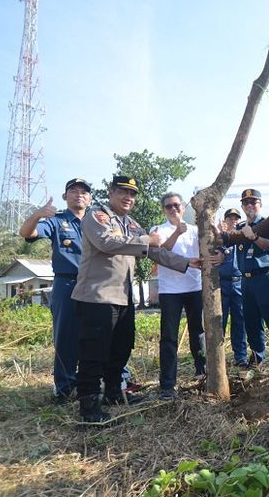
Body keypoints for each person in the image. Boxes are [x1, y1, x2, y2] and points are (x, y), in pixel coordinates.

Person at [71, 176, 199, 423]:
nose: (128, 198)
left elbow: (154, 251)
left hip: (122, 297)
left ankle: (112, 393)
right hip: (97, 296)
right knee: (93, 351)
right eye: (123, 192)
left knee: (120, 347)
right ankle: (88, 406)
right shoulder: (97, 216)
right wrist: (146, 240)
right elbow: (106, 243)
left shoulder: (130, 223)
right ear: (111, 193)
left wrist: (186, 263)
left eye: (132, 194)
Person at [19, 178, 92, 403]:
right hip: (67, 284)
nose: (78, 194)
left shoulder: (97, 221)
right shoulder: (56, 221)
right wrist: (37, 214)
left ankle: (90, 384)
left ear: (89, 199)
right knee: (66, 337)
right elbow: (26, 233)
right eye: (73, 191)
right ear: (65, 197)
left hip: (94, 285)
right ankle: (64, 388)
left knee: (94, 336)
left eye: (84, 192)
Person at [219, 189, 269, 378]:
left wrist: (253, 236)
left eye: (253, 202)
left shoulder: (266, 224)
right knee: (251, 322)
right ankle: (256, 358)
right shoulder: (241, 227)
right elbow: (226, 243)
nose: (249, 206)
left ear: (260, 204)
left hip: (264, 277)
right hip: (245, 279)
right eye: (245, 203)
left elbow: (268, 245)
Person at [150, 192, 208, 400]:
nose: (173, 209)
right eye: (168, 207)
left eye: (176, 205)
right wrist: (176, 234)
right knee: (169, 338)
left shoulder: (195, 229)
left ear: (183, 207)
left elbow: (207, 249)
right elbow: (160, 254)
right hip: (170, 291)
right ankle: (167, 384)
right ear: (163, 210)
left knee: (198, 333)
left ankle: (202, 372)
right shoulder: (157, 230)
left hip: (194, 287)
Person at [217, 208, 248, 369]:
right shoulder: (219, 239)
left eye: (236, 218)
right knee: (219, 322)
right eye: (230, 218)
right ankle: (217, 358)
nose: (233, 221)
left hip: (238, 283)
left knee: (239, 322)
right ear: (225, 220)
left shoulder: (242, 237)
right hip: (222, 284)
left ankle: (240, 357)